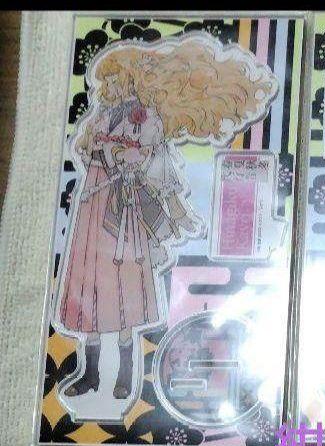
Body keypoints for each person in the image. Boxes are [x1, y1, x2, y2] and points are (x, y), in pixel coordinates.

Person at [56, 34, 276, 402]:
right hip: (92, 204)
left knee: (121, 288)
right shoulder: (102, 114)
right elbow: (86, 147)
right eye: (107, 80)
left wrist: (123, 157)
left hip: (123, 207)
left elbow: (149, 158)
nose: (109, 86)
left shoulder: (145, 115)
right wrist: (104, 149)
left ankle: (124, 374)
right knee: (89, 284)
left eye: (114, 79)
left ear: (129, 78)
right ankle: (91, 374)